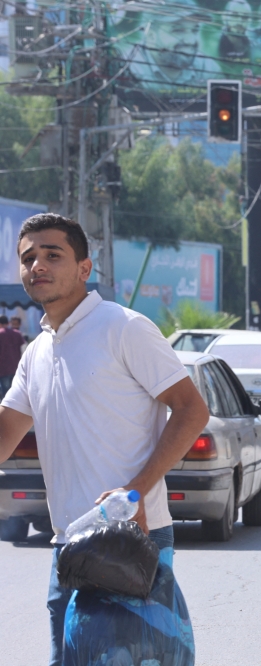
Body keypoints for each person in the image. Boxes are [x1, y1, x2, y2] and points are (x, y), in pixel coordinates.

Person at [0, 214, 210, 666]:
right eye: (28, 257)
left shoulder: (123, 327)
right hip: (67, 547)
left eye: (52, 254)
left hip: (130, 540)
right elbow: (5, 432)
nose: (38, 265)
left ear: (84, 267)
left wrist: (136, 490)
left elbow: (193, 409)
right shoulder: (36, 351)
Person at [118, 0, 220, 90]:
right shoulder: (126, 68)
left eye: (195, 30)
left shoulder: (208, 68)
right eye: (178, 30)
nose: (190, 41)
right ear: (151, 36)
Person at [0, 315, 25, 399]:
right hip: (16, 367)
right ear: (8, 323)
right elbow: (24, 349)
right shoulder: (17, 333)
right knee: (17, 393)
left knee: (6, 396)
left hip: (3, 369)